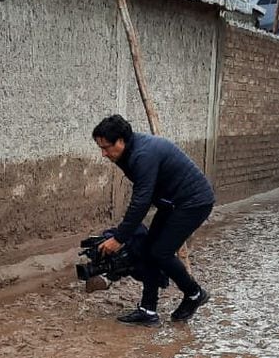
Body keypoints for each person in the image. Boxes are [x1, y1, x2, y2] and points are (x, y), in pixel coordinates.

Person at [92, 114, 214, 326]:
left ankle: (195, 294)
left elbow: (141, 201)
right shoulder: (125, 153)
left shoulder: (143, 155)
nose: (103, 153)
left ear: (121, 141)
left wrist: (119, 238)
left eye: (106, 147)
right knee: (149, 249)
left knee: (161, 252)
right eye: (100, 147)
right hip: (171, 203)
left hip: (193, 202)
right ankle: (148, 311)